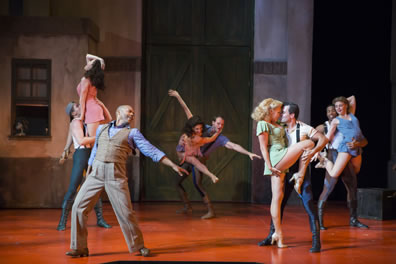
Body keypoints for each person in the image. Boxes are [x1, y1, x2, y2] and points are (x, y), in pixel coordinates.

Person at [66, 105, 188, 258]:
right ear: (118, 112)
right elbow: (96, 149)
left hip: (115, 174)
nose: (132, 113)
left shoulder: (132, 133)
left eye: (133, 112)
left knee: (125, 212)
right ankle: (79, 248)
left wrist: (173, 165)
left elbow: (151, 150)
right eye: (129, 111)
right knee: (78, 206)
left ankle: (138, 246)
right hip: (95, 172)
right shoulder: (101, 129)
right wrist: (89, 169)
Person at [169, 90, 261, 219]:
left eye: (222, 125)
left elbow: (233, 145)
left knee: (197, 184)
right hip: (188, 158)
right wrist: (178, 96)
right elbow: (187, 112)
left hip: (199, 161)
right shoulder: (201, 128)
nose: (220, 126)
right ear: (212, 123)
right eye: (218, 123)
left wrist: (248, 153)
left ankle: (210, 210)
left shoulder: (220, 138)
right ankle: (187, 206)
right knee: (177, 182)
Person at [257, 102, 328, 252]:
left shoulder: (303, 127)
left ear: (292, 115)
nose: (281, 114)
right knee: (278, 202)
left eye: (284, 112)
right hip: (284, 169)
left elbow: (323, 139)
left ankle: (316, 241)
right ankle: (272, 235)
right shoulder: (278, 127)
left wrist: (314, 151)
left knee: (308, 204)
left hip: (298, 169)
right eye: (280, 112)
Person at [57, 101, 112, 231]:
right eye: (76, 106)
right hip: (82, 155)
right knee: (73, 187)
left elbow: (70, 135)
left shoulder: (83, 120)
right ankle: (62, 222)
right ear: (73, 113)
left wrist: (65, 150)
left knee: (94, 187)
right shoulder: (76, 122)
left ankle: (100, 219)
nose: (79, 105)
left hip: (91, 154)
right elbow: (81, 140)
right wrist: (100, 135)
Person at [316, 98, 368, 229]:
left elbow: (352, 99)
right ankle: (320, 222)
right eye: (330, 110)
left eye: (336, 108)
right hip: (334, 155)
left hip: (348, 154)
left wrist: (342, 102)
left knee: (352, 186)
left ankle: (353, 219)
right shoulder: (326, 125)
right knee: (328, 188)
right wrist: (315, 152)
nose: (332, 111)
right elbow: (318, 138)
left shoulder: (349, 118)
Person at [77, 54, 107, 137]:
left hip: (91, 110)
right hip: (93, 108)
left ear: (92, 67)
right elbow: (87, 56)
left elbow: (82, 99)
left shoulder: (86, 80)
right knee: (93, 140)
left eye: (91, 63)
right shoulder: (91, 78)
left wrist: (82, 115)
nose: (88, 62)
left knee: (94, 140)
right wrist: (99, 59)